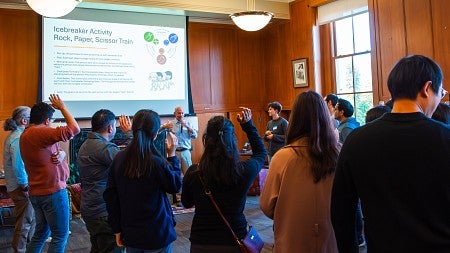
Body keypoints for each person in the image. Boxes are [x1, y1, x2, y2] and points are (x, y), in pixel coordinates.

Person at [331, 55, 450, 252]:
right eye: (441, 93)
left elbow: (341, 210)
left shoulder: (357, 140)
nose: (440, 100)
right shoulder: (445, 138)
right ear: (427, 88)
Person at [260, 91, 340, 253]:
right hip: (332, 238)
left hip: (292, 239)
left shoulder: (282, 157)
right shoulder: (339, 153)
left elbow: (267, 206)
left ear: (295, 119)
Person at [181, 107, 267, 253]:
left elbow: (186, 202)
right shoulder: (244, 171)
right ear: (233, 140)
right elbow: (260, 153)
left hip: (201, 242)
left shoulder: (194, 172)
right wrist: (247, 125)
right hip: (235, 240)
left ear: (206, 140)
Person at [104, 109, 182, 252]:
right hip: (157, 232)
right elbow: (175, 186)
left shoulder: (119, 159)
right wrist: (172, 156)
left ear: (133, 129)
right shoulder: (156, 161)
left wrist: (117, 230)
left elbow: (111, 197)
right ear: (155, 134)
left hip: (131, 233)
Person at [20, 94, 80, 253]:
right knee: (60, 236)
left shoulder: (28, 134)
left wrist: (62, 154)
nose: (52, 125)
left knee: (40, 234)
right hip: (52, 192)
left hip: (38, 192)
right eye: (52, 121)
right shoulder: (39, 132)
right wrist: (62, 108)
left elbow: (50, 151)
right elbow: (74, 129)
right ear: (47, 121)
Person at [77, 110, 131, 253]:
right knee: (112, 248)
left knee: (98, 248)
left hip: (90, 207)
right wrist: (130, 134)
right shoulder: (104, 148)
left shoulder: (86, 145)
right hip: (103, 211)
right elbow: (131, 163)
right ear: (110, 128)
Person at [3, 106, 35, 253]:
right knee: (24, 222)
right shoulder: (17, 138)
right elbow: (18, 165)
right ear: (24, 120)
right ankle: (19, 250)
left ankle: (29, 246)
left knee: (28, 219)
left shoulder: (15, 135)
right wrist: (25, 185)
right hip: (20, 187)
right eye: (31, 117)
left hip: (17, 185)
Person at [161, 106, 197, 206]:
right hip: (174, 152)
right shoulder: (170, 124)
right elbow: (159, 131)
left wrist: (188, 127)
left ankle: (192, 198)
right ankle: (179, 199)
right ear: (175, 114)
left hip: (185, 151)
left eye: (182, 113)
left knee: (189, 175)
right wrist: (164, 127)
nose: (180, 115)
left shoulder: (188, 123)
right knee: (176, 175)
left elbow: (195, 136)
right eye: (178, 113)